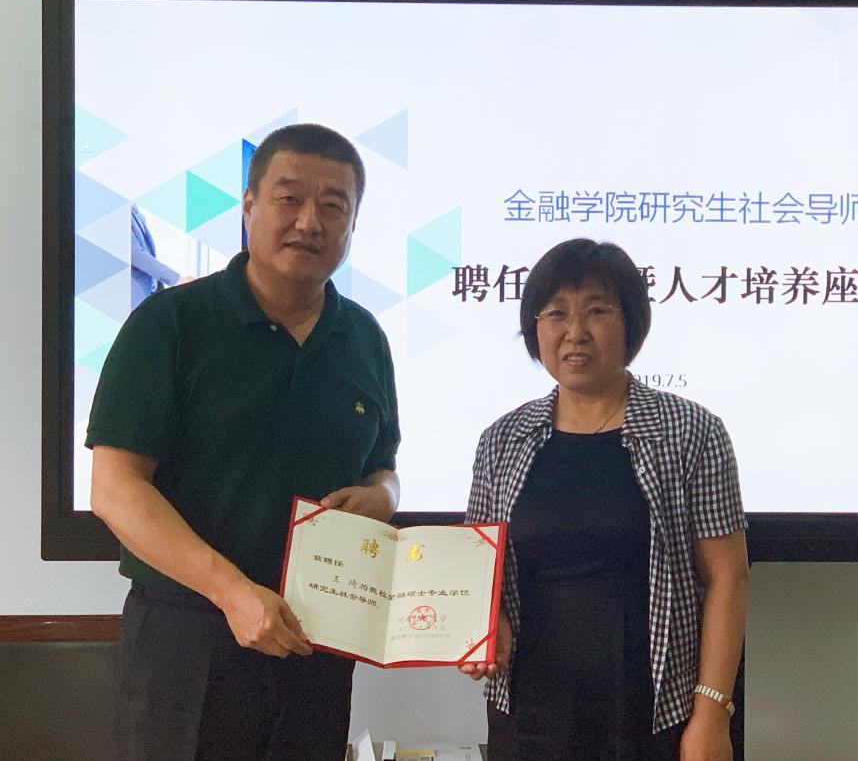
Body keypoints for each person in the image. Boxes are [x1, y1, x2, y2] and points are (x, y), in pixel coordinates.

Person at [88, 123, 400, 760]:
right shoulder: (170, 323)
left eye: (333, 205)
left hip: (316, 640)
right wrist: (232, 592)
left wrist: (385, 497)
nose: (309, 221)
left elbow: (382, 466)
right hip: (188, 638)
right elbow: (115, 490)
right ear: (250, 206)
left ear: (352, 224)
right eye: (289, 198)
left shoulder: (364, 337)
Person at [460, 238, 749, 761]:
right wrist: (485, 621)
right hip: (528, 717)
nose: (575, 331)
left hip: (656, 715)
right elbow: (479, 572)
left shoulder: (692, 431)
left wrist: (711, 714)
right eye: (556, 313)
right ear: (535, 329)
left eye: (597, 310)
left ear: (631, 324)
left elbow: (727, 578)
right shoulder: (502, 440)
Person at [130, 202, 193, 309]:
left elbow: (146, 250)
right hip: (135, 297)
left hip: (150, 290)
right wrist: (176, 279)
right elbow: (134, 253)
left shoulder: (132, 207)